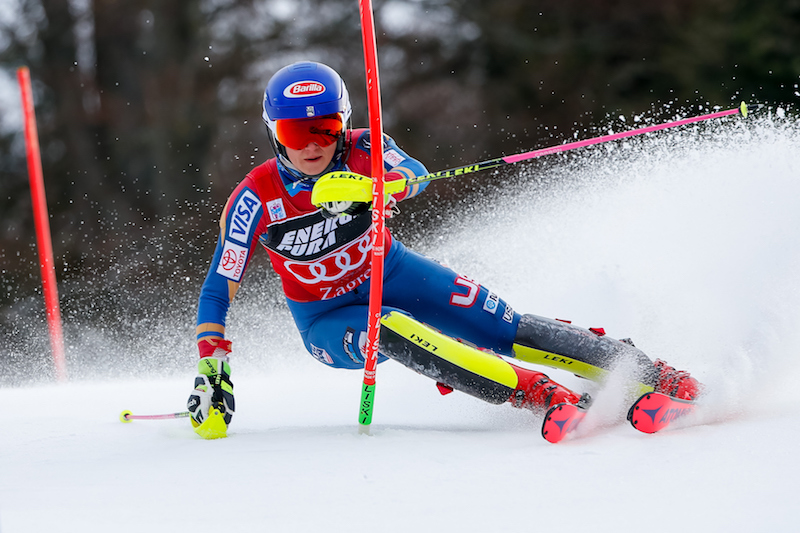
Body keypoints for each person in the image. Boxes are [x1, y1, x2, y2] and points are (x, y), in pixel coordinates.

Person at [186, 61, 701, 437]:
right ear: (274, 133)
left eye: (325, 127)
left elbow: (412, 174)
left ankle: (655, 376)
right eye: (296, 130)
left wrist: (379, 187)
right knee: (385, 328)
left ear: (342, 124)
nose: (313, 143)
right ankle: (540, 394)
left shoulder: (365, 148)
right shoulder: (255, 197)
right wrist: (213, 364)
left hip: (395, 272)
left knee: (501, 326)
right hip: (326, 320)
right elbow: (217, 287)